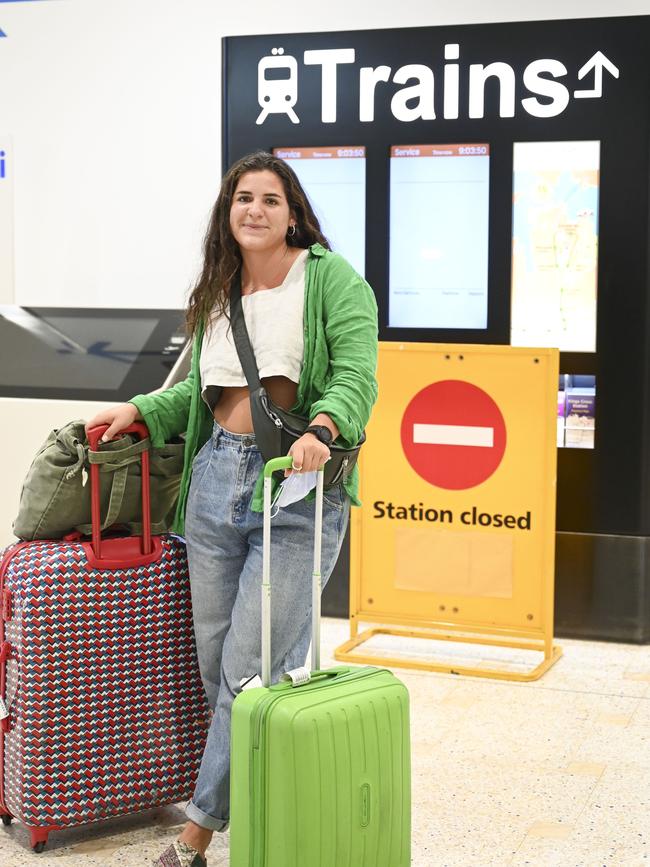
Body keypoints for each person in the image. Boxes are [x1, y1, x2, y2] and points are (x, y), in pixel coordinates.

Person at [86, 151, 378, 867]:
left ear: (295, 212)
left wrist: (324, 427)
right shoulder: (218, 289)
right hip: (214, 478)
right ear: (228, 211)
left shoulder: (332, 280)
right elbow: (200, 392)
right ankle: (258, 799)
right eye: (242, 197)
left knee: (251, 668)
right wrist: (141, 409)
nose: (254, 210)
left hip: (294, 489)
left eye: (270, 199)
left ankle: (197, 834)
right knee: (220, 667)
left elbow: (357, 375)